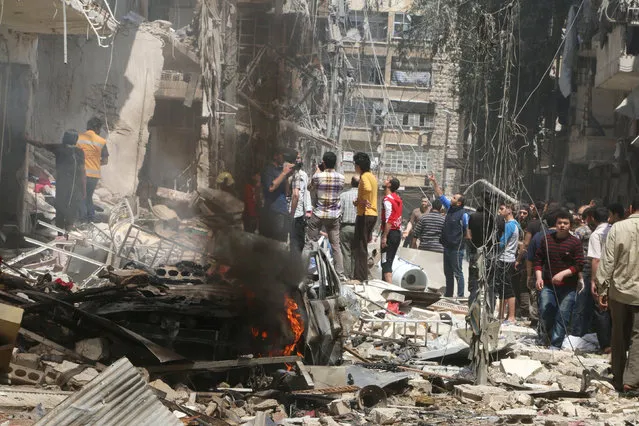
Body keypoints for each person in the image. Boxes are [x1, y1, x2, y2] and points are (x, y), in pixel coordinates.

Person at [596, 199, 639, 392]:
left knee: (619, 334)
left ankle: (619, 376)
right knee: (638, 336)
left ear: (630, 208)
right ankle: (632, 379)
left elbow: (608, 260)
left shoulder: (617, 228)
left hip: (619, 291)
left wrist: (602, 288)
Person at [535, 209, 585, 349]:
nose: (562, 225)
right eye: (559, 223)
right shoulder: (547, 240)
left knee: (562, 315)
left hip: (568, 286)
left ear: (570, 225)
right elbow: (538, 260)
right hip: (548, 285)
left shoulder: (575, 243)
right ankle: (546, 336)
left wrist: (563, 273)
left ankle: (555, 345)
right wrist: (538, 277)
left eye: (565, 223)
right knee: (546, 311)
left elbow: (579, 264)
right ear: (555, 224)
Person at [27, 130, 86, 232]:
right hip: (75, 187)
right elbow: (82, 172)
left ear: (64, 138)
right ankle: (66, 236)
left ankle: (60, 237)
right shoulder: (79, 152)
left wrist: (27, 139)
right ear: (76, 140)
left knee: (60, 210)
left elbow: (41, 145)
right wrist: (84, 189)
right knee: (70, 212)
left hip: (62, 185)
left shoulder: (59, 148)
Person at [427, 173, 469, 298]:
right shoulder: (450, 209)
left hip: (457, 249)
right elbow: (440, 195)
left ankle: (460, 296)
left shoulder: (464, 215)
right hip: (447, 247)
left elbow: (467, 231)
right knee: (448, 273)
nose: (452, 199)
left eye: (454, 198)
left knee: (458, 273)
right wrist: (434, 182)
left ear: (459, 203)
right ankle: (449, 295)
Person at [306, 152, 345, 276]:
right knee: (335, 246)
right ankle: (339, 274)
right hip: (334, 216)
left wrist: (317, 171)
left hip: (318, 215)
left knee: (309, 243)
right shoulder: (341, 178)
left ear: (323, 162)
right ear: (335, 163)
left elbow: (309, 187)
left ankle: (303, 271)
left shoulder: (318, 177)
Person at [579, 206, 612, 352]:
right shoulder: (616, 230)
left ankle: (606, 345)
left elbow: (596, 260)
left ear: (592, 217)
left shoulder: (597, 234)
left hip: (603, 275)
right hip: (619, 275)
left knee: (601, 309)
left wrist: (594, 281)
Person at [491, 203, 521, 323]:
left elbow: (502, 243)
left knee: (507, 288)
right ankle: (501, 315)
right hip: (509, 259)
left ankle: (511, 316)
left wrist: (493, 244)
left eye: (502, 209)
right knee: (503, 288)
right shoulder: (515, 224)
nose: (499, 211)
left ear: (509, 211)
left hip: (505, 259)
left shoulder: (509, 225)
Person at [466, 195, 496, 306]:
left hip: (476, 253)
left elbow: (468, 235)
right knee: (490, 287)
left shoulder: (473, 217)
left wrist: (472, 247)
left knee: (474, 286)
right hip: (490, 254)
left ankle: (473, 312)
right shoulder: (494, 218)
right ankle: (490, 315)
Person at [76, 117, 108, 222]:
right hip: (94, 176)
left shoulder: (79, 138)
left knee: (81, 197)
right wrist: (94, 161)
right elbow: (105, 161)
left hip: (81, 173)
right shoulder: (102, 141)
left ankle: (83, 220)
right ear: (97, 128)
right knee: (88, 197)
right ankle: (91, 219)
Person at [352, 152, 378, 282]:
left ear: (358, 166)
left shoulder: (364, 177)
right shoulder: (372, 176)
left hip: (365, 214)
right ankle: (362, 276)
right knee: (362, 245)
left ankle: (359, 277)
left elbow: (367, 189)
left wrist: (361, 201)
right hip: (372, 214)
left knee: (360, 246)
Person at [261, 146, 294, 242]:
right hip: (273, 210)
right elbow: (271, 187)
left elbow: (287, 192)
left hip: (283, 210)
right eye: (281, 155)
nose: (283, 158)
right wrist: (283, 174)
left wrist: (287, 176)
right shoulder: (268, 170)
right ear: (275, 156)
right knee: (274, 241)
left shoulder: (281, 171)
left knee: (282, 241)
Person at [380, 177, 403, 283]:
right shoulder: (397, 199)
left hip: (390, 233)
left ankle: (390, 290)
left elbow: (389, 219)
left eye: (387, 180)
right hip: (397, 233)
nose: (385, 180)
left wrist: (384, 236)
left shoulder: (387, 199)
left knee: (386, 263)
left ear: (389, 185)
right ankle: (384, 286)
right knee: (388, 261)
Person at [289, 153, 312, 252]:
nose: (297, 160)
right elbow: (294, 194)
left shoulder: (303, 175)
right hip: (289, 210)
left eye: (299, 158)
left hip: (299, 212)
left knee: (299, 241)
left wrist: (308, 209)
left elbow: (306, 193)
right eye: (296, 158)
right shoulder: (290, 174)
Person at [339, 176, 359, 279]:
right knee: (355, 253)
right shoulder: (363, 196)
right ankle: (354, 276)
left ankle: (346, 276)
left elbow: (339, 213)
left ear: (351, 183)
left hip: (345, 228)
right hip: (358, 229)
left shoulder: (343, 195)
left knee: (346, 253)